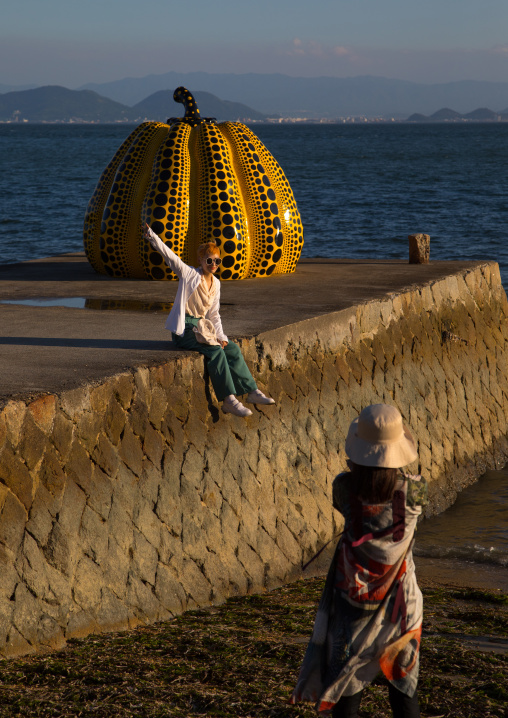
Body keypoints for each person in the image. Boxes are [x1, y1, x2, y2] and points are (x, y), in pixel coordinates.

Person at [291, 404, 427, 717]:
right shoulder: (416, 490)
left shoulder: (343, 488)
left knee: (346, 689)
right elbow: (407, 480)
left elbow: (352, 490)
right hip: (401, 607)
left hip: (352, 605)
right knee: (403, 694)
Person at [143, 224, 275, 417]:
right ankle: (229, 399)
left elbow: (214, 314)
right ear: (201, 260)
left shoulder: (216, 284)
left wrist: (221, 336)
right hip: (186, 330)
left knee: (231, 348)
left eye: (217, 260)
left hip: (204, 328)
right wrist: (152, 236)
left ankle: (251, 391)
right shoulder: (190, 274)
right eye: (209, 260)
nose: (213, 264)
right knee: (215, 351)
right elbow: (170, 257)